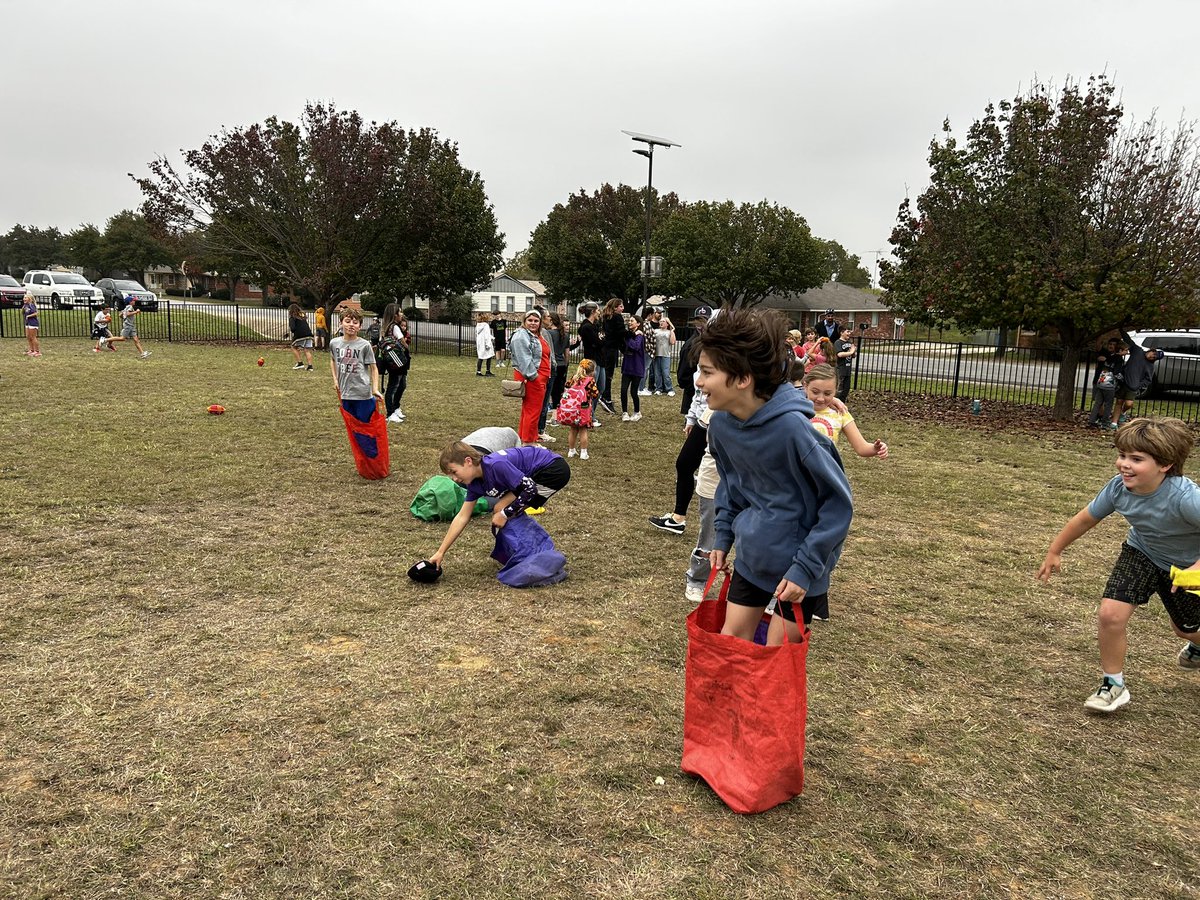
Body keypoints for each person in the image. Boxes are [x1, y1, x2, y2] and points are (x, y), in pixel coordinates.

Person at [702, 307, 854, 643]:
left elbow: (838, 504)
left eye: (707, 372)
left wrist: (805, 568)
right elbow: (730, 486)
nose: (699, 382)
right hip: (754, 557)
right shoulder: (722, 426)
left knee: (776, 661)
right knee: (731, 644)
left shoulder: (795, 431)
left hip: (799, 569)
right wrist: (724, 536)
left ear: (742, 379)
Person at [1037, 417, 1200, 714]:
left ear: (1165, 464)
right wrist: (1055, 549)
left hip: (1188, 567)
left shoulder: (1187, 499)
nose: (1124, 464)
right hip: (1141, 553)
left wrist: (1196, 569)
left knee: (1186, 630)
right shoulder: (1117, 489)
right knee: (1110, 615)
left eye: (1136, 459)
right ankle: (1113, 684)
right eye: (1122, 455)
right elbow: (1086, 518)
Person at [429, 442, 571, 567]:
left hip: (553, 469)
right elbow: (462, 517)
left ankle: (536, 556)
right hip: (534, 476)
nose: (454, 479)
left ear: (468, 461)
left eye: (454, 472)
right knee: (500, 508)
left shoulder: (495, 465)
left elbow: (530, 488)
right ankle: (527, 554)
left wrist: (505, 514)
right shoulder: (474, 484)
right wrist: (440, 552)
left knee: (503, 511)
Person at [799, 364, 888, 461]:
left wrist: (875, 449)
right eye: (815, 392)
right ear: (805, 386)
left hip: (826, 471)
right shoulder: (795, 408)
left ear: (835, 390)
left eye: (827, 393)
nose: (820, 398)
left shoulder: (840, 412)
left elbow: (861, 448)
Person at [328, 307, 384, 424]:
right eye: (347, 321)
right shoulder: (334, 343)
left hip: (363, 394)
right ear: (341, 323)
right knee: (352, 427)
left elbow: (374, 368)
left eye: (355, 322)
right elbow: (333, 360)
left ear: (360, 326)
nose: (351, 325)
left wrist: (375, 389)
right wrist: (335, 380)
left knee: (365, 427)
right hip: (345, 393)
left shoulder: (365, 345)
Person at [509, 310, 551, 446]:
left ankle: (526, 439)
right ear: (524, 321)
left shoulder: (536, 335)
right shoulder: (521, 335)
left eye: (536, 321)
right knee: (533, 411)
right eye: (530, 320)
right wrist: (535, 376)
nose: (533, 323)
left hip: (540, 377)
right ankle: (528, 443)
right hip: (532, 378)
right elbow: (523, 359)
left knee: (531, 410)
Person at [1111, 335, 1164, 430]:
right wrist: (1122, 331)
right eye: (1154, 353)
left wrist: (1138, 385)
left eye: (1155, 357)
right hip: (1123, 381)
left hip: (1133, 387)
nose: (1152, 356)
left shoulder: (1150, 367)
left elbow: (1148, 380)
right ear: (1151, 350)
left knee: (1128, 404)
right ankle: (1114, 423)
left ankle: (1123, 413)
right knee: (1119, 401)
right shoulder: (1137, 351)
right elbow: (1129, 341)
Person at [556, 359, 598, 460]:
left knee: (573, 429)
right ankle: (583, 452)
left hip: (572, 410)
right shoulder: (590, 380)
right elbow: (595, 393)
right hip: (583, 409)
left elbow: (566, 386)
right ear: (591, 371)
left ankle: (571, 450)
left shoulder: (574, 378)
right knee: (583, 430)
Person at [379, 303, 411, 423]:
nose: (402, 314)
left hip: (391, 359)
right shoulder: (394, 327)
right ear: (395, 314)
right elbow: (403, 343)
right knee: (394, 386)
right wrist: (406, 347)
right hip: (397, 360)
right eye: (400, 312)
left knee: (401, 384)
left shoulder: (386, 327)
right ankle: (390, 412)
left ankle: (396, 407)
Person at [676, 305, 712, 415]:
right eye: (698, 321)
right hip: (693, 386)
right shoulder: (692, 343)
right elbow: (684, 367)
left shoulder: (711, 339)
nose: (700, 324)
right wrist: (687, 384)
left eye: (704, 320)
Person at [598, 298, 627, 414]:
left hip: (605, 347)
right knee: (609, 374)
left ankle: (604, 395)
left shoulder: (606, 317)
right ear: (615, 307)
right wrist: (632, 335)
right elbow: (621, 334)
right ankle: (606, 397)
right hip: (611, 349)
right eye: (620, 306)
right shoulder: (617, 317)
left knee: (605, 372)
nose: (622, 308)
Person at [576, 303, 605, 420]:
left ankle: (591, 412)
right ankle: (588, 415)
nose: (599, 312)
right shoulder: (587, 327)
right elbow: (598, 343)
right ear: (593, 311)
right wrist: (601, 339)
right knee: (591, 389)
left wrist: (601, 339)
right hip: (592, 361)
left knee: (600, 388)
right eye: (598, 310)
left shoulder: (594, 325)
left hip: (600, 360)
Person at [1087, 338, 1124, 428]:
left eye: (1113, 345)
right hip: (1107, 383)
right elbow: (1117, 372)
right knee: (1107, 403)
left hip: (1101, 382)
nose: (1111, 346)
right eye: (1110, 344)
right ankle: (1103, 421)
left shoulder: (1114, 357)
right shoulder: (1113, 356)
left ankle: (1095, 420)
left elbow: (1111, 360)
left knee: (1099, 402)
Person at [542, 311, 569, 432]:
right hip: (562, 364)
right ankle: (557, 414)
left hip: (552, 365)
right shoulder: (565, 335)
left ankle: (554, 417)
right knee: (559, 390)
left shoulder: (548, 334)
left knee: (552, 391)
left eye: (547, 318)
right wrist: (566, 364)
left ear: (551, 320)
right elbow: (567, 353)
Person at [620, 316, 646, 421]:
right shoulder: (629, 335)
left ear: (638, 323)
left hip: (637, 367)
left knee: (633, 391)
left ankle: (637, 412)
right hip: (627, 367)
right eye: (629, 321)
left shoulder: (639, 336)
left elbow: (635, 346)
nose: (629, 322)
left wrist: (629, 338)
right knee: (623, 390)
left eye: (632, 321)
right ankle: (625, 412)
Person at [285, 303, 315, 370]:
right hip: (309, 334)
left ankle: (300, 363)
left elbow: (293, 328)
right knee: (307, 350)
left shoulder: (292, 317)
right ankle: (310, 367)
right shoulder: (302, 316)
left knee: (293, 347)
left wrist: (290, 330)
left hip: (300, 335)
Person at [651, 314, 676, 396]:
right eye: (660, 321)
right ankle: (658, 388)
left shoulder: (669, 332)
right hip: (657, 354)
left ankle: (669, 389)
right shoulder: (656, 331)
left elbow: (672, 342)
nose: (661, 323)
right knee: (657, 373)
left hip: (666, 355)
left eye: (663, 321)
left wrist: (672, 330)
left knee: (666, 373)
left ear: (667, 324)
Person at [833, 333, 857, 402]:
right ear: (842, 332)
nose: (849, 333)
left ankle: (842, 404)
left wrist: (853, 351)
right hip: (840, 369)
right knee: (839, 389)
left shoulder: (849, 342)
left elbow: (853, 356)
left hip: (848, 370)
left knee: (846, 389)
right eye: (847, 331)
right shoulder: (838, 342)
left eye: (850, 332)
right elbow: (840, 354)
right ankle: (836, 404)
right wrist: (851, 351)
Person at [475, 311, 496, 376]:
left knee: (480, 357)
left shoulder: (477, 325)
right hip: (486, 343)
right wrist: (488, 344)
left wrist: (492, 337)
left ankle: (478, 371)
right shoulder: (486, 325)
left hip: (480, 343)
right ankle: (488, 371)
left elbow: (479, 335)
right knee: (489, 357)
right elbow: (487, 335)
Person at [22, 292, 41, 357]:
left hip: (33, 323)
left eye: (25, 298)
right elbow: (24, 313)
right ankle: (32, 350)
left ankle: (37, 351)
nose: (24, 299)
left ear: (30, 299)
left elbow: (36, 313)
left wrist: (29, 316)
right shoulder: (26, 305)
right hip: (27, 322)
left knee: (33, 337)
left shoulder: (31, 305)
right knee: (28, 336)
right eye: (24, 297)